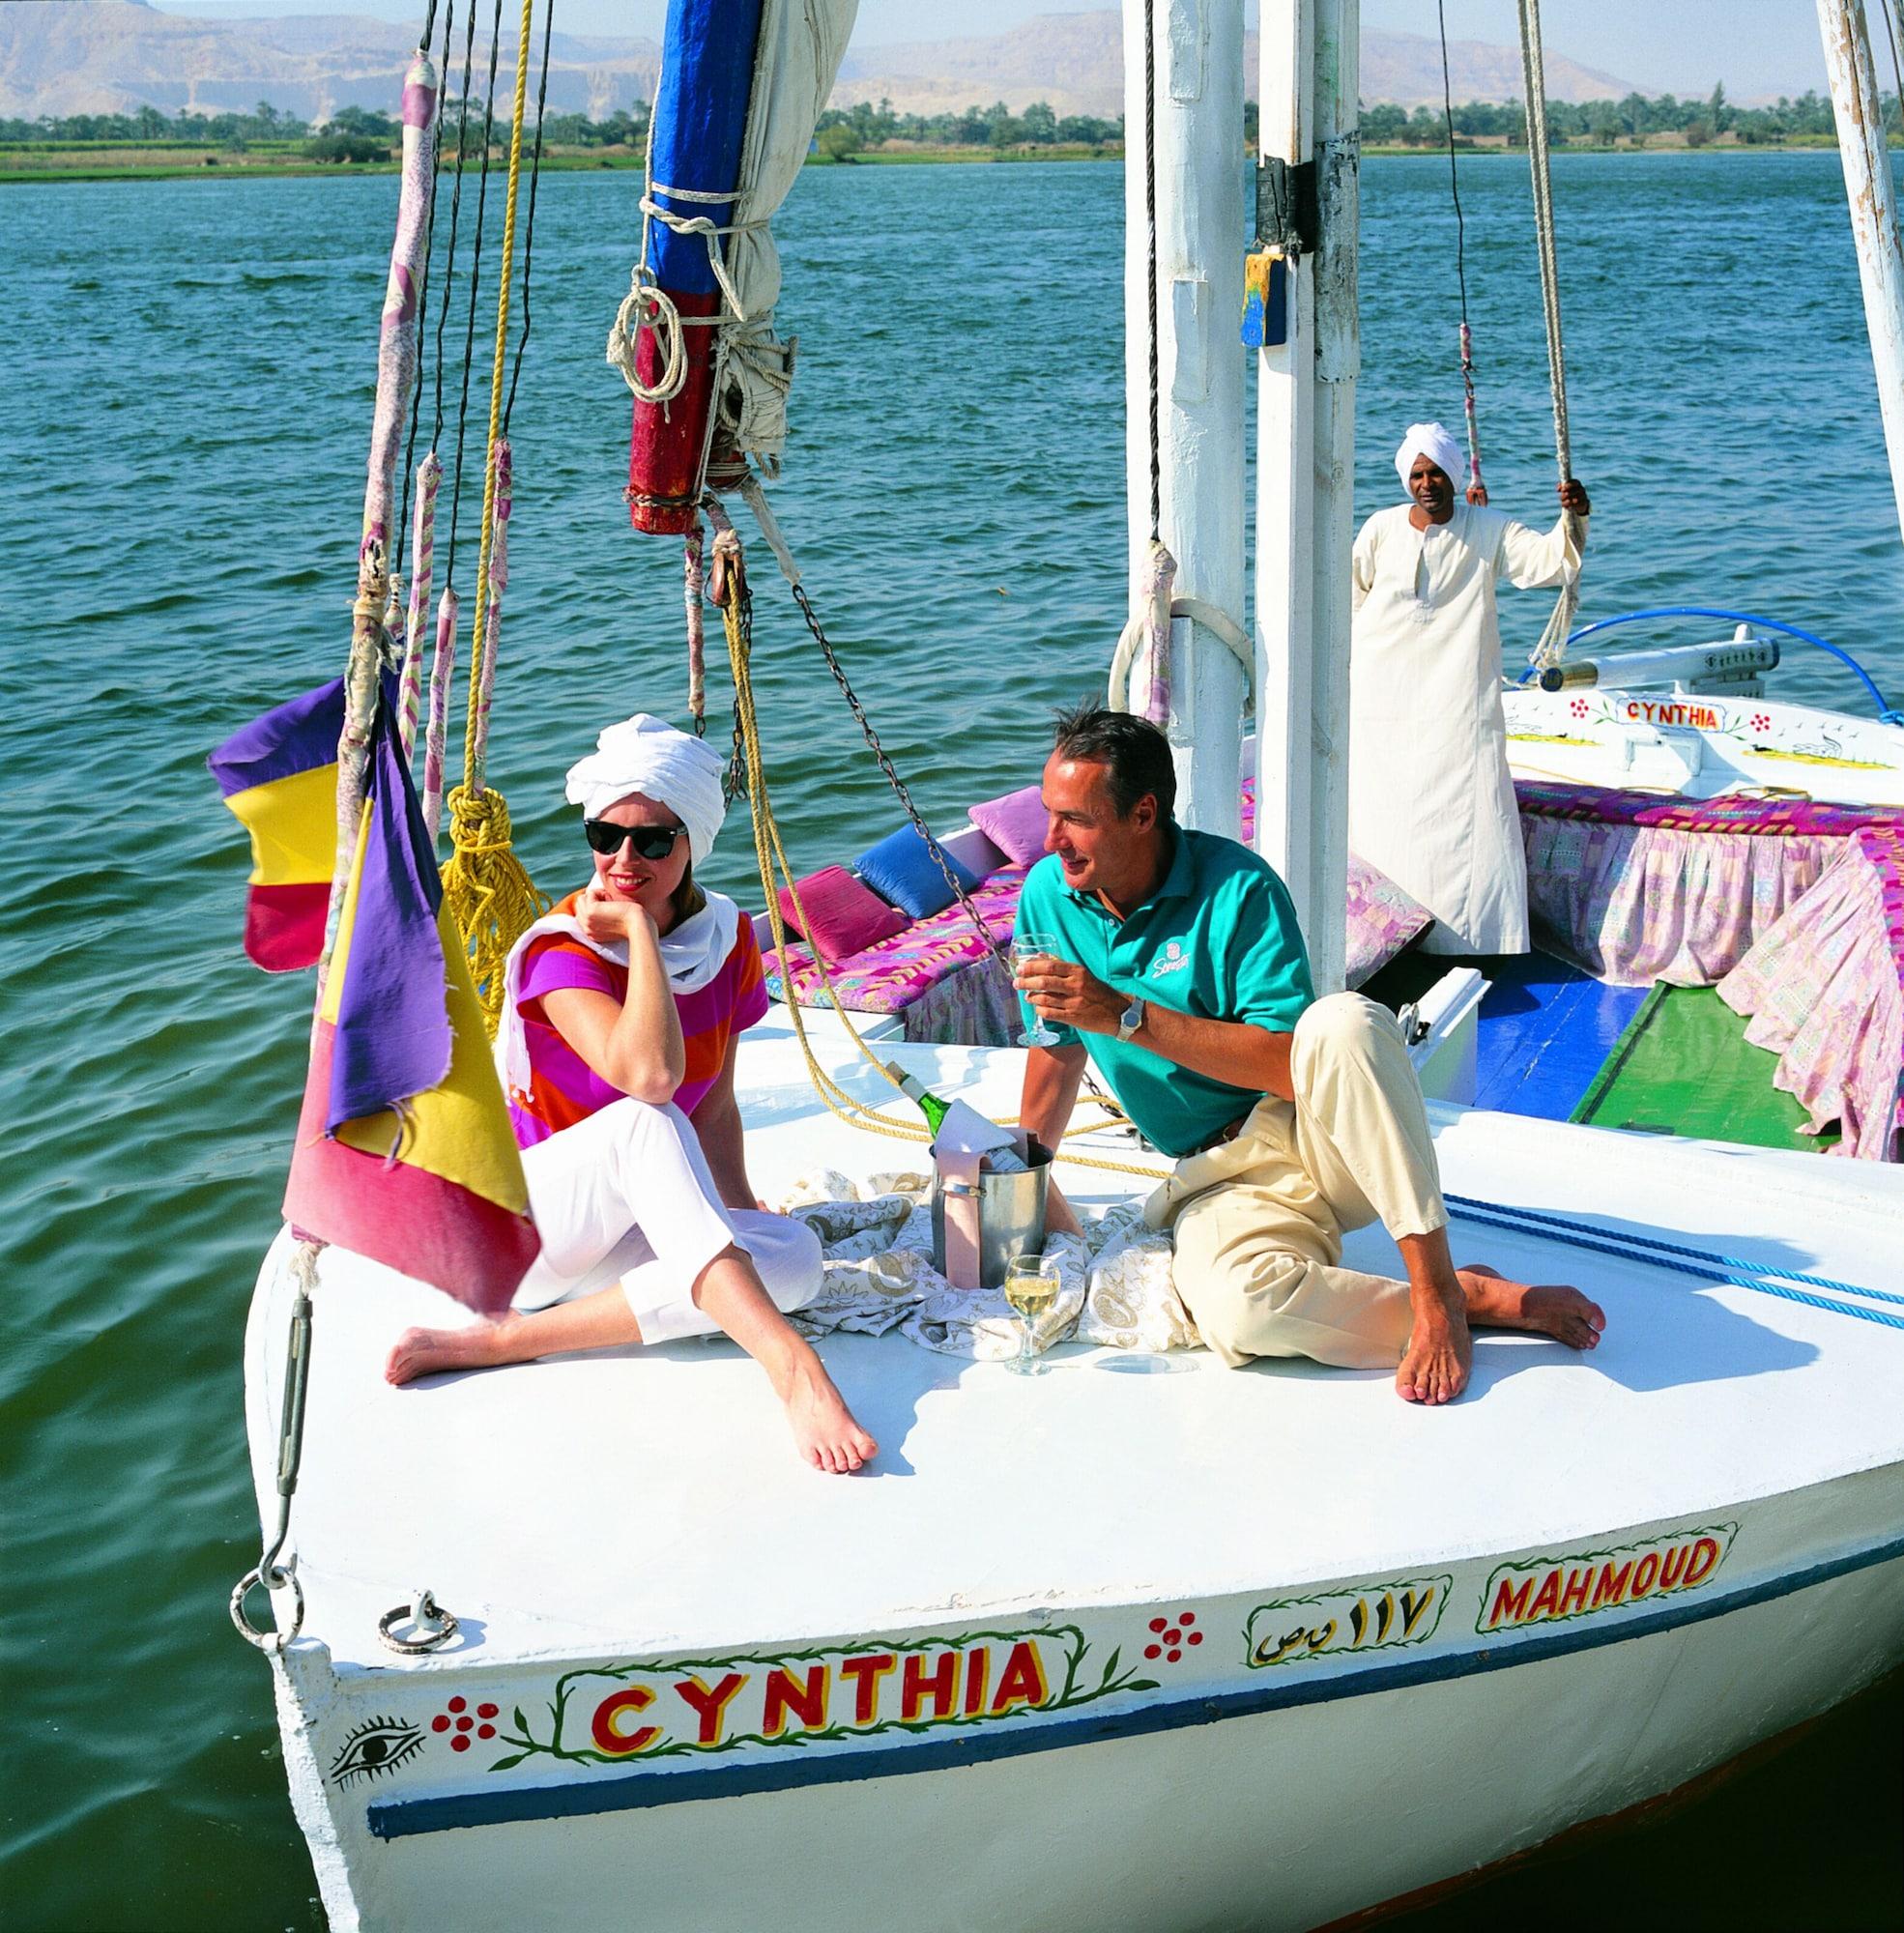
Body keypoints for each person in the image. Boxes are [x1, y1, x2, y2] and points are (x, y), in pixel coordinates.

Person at [1012, 707, 1605, 1405]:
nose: (1050, 839)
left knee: (1343, 1022)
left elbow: (1285, 1065)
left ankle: (1435, 1282)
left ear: (1143, 814)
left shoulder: (1239, 887)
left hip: (1322, 1135)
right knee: (1241, 1312)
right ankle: (1474, 1300)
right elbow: (1055, 1053)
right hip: (1222, 1175)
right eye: (1049, 813)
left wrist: (1123, 1014)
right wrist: (1016, 1184)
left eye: (1074, 819)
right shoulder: (1047, 898)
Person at [385, 714, 878, 1474]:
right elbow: (650, 1078)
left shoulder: (726, 938)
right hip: (525, 1228)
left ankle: (511, 1340)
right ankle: (793, 1370)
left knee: (796, 1260)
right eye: (604, 835)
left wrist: (738, 1203)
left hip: (619, 1233)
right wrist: (641, 938)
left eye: (653, 840)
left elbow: (712, 1102)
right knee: (647, 1120)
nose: (623, 858)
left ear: (693, 843)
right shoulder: (562, 949)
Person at [1349, 420, 1592, 955]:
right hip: (1380, 698)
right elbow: (1351, 597)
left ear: (1454, 477)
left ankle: (1473, 941)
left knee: (1470, 805)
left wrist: (1573, 517)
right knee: (1380, 808)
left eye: (1436, 472)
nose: (1427, 483)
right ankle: (1379, 935)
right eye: (1417, 473)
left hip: (1457, 697)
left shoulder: (1489, 530)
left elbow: (1552, 562)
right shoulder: (1380, 529)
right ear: (1405, 478)